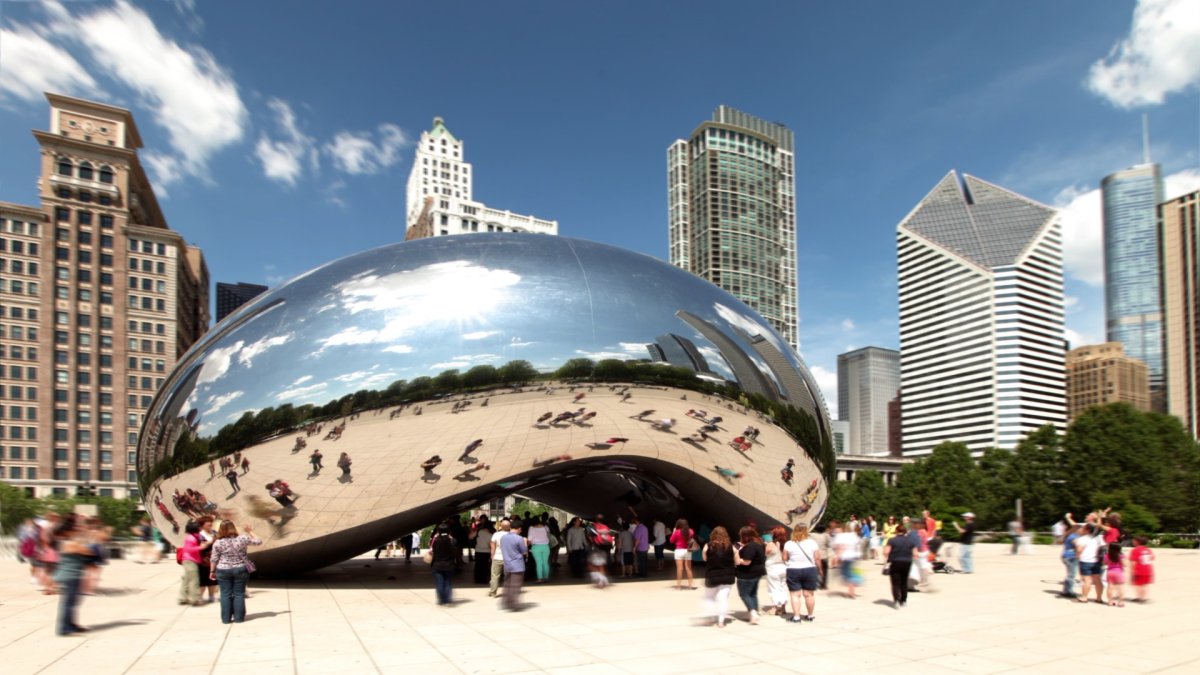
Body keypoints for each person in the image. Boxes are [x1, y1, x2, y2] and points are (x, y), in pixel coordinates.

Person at [208, 521, 262, 624]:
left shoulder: (218, 542)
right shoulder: (242, 539)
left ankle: (226, 619)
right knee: (239, 594)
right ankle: (239, 618)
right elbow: (258, 541)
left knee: (225, 594)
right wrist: (250, 531)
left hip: (223, 569)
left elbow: (214, 559)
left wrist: (212, 571)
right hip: (240, 568)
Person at [52, 514, 96, 635]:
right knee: (69, 603)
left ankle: (71, 624)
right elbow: (88, 551)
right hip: (69, 576)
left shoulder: (68, 542)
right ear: (69, 531)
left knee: (72, 602)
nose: (77, 531)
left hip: (71, 575)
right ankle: (64, 628)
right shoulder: (70, 543)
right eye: (74, 529)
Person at [781, 524, 820, 623]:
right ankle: (810, 616)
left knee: (795, 595)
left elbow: (784, 558)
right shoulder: (812, 543)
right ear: (806, 531)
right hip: (810, 569)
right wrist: (819, 569)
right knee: (809, 595)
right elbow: (817, 558)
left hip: (793, 569)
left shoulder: (789, 543)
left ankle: (797, 617)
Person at [702, 526, 737, 627]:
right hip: (727, 576)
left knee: (709, 598)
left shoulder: (707, 546)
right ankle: (721, 621)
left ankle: (710, 618)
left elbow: (705, 559)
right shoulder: (731, 547)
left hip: (711, 576)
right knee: (723, 599)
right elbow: (737, 561)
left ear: (713, 535)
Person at [733, 525, 765, 625]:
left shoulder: (750, 546)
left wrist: (738, 559)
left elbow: (747, 561)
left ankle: (753, 612)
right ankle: (755, 611)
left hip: (747, 574)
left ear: (744, 535)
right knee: (752, 593)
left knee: (744, 594)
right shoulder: (759, 544)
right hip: (757, 572)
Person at [882, 523, 917, 609]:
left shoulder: (892, 540)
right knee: (904, 582)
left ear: (896, 531)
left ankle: (896, 601)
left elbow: (886, 552)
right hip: (907, 562)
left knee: (895, 583)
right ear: (905, 531)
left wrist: (887, 559)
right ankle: (903, 601)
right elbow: (915, 554)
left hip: (895, 562)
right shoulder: (911, 541)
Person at [500, 520, 529, 611]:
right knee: (515, 585)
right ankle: (513, 604)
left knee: (507, 584)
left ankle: (506, 602)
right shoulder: (519, 538)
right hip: (517, 564)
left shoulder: (503, 537)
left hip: (507, 564)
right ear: (519, 529)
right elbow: (524, 552)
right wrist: (525, 543)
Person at [763, 526, 789, 617]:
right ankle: (783, 607)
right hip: (783, 567)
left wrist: (766, 544)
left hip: (773, 568)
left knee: (774, 588)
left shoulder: (771, 544)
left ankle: (775, 608)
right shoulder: (786, 544)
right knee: (783, 587)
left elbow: (766, 553)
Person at [1075, 524, 1104, 604]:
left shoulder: (1082, 539)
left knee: (1087, 580)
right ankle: (1099, 598)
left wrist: (1077, 556)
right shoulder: (1098, 538)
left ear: (1087, 530)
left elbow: (1079, 550)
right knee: (1097, 580)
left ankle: (1084, 597)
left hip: (1085, 560)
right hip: (1097, 561)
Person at [832, 520, 861, 599]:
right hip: (854, 557)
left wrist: (837, 557)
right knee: (851, 573)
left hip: (846, 557)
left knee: (848, 575)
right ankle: (852, 589)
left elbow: (841, 547)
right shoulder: (854, 536)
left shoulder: (843, 536)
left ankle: (851, 592)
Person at [429, 523, 457, 605]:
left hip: (437, 564)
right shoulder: (452, 541)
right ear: (449, 531)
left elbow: (431, 549)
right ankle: (447, 599)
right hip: (449, 564)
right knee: (448, 582)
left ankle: (441, 599)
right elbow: (455, 550)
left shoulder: (436, 540)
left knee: (439, 583)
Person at [178, 522, 204, 606]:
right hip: (190, 561)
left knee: (186, 579)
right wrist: (201, 547)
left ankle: (182, 598)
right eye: (198, 527)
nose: (200, 528)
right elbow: (189, 549)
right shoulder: (191, 538)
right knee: (194, 580)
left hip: (188, 560)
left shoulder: (192, 537)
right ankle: (194, 599)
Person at [669, 518, 695, 590]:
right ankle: (690, 586)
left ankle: (678, 586)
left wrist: (674, 532)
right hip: (688, 550)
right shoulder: (691, 531)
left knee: (679, 569)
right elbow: (691, 538)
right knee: (689, 569)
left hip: (679, 551)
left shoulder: (677, 532)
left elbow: (671, 541)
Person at [197, 517, 218, 603]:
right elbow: (200, 547)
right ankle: (199, 596)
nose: (210, 524)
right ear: (202, 525)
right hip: (203, 560)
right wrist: (210, 542)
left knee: (212, 580)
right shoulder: (200, 534)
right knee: (202, 579)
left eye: (210, 522)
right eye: (207, 522)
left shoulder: (214, 532)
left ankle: (211, 596)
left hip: (214, 559)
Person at [488, 519, 510, 598]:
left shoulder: (496, 535)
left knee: (495, 576)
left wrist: (492, 556)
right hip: (508, 558)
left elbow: (492, 547)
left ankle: (493, 592)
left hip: (497, 557)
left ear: (501, 526)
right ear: (509, 527)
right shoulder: (511, 535)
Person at [1130, 536, 1155, 603]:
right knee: (1145, 584)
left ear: (1138, 542)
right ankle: (1144, 597)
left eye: (1134, 541)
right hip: (1148, 569)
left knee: (1139, 585)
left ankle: (1140, 597)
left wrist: (1132, 571)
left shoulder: (1135, 550)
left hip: (1139, 570)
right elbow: (1152, 558)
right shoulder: (1148, 549)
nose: (1133, 542)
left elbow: (1133, 561)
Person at [527, 516, 552, 582]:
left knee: (539, 563)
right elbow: (549, 534)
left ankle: (540, 579)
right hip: (546, 546)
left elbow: (529, 539)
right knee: (545, 563)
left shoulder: (531, 528)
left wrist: (527, 544)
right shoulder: (545, 527)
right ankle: (546, 578)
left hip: (536, 547)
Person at [1061, 523, 1080, 598]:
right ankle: (1070, 591)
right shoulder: (1074, 536)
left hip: (1066, 555)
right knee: (1072, 575)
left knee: (1069, 574)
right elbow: (1077, 546)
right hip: (1071, 556)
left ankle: (1066, 590)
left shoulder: (1069, 536)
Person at [472, 518, 494, 584]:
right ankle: (483, 579)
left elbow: (470, 537)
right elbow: (490, 544)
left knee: (477, 565)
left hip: (478, 551)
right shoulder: (490, 535)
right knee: (485, 566)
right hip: (486, 552)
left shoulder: (479, 532)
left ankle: (477, 579)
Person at [1105, 542, 1126, 607]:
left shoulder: (1107, 555)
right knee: (1120, 587)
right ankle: (1120, 602)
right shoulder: (1121, 555)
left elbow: (1105, 563)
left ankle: (1110, 601)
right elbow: (1124, 564)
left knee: (1110, 587)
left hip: (1110, 572)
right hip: (1119, 572)